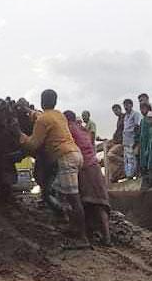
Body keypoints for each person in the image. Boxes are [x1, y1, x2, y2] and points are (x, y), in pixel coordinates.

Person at [19, 89, 89, 249]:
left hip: (65, 158)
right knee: (56, 191)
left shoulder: (43, 119)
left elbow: (33, 144)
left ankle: (82, 238)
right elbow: (40, 116)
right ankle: (72, 226)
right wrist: (27, 111)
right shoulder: (58, 115)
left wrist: (19, 134)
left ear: (42, 101)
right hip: (75, 154)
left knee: (73, 199)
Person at [65, 110, 111, 245]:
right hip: (95, 166)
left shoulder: (69, 130)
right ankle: (106, 237)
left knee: (83, 201)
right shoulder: (82, 130)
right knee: (100, 202)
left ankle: (83, 232)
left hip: (84, 169)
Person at [121, 98, 142, 179]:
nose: (126, 107)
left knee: (133, 159)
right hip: (126, 141)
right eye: (124, 105)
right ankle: (129, 176)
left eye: (127, 105)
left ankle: (134, 175)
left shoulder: (135, 114)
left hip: (132, 140)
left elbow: (137, 126)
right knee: (126, 159)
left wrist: (136, 141)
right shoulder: (126, 116)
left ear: (131, 105)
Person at [104, 104, 125, 183]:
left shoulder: (124, 117)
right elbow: (117, 132)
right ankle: (114, 176)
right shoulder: (119, 119)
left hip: (123, 142)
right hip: (118, 142)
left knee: (110, 155)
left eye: (116, 110)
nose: (115, 112)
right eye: (114, 111)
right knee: (110, 160)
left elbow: (124, 130)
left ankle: (124, 162)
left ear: (120, 109)